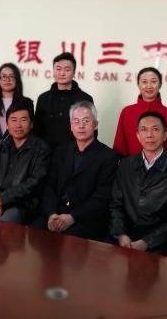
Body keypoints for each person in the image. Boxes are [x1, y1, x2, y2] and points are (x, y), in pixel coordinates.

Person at [33, 101, 119, 241]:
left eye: (86, 121)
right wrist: (52, 214)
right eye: (76, 121)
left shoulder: (108, 156)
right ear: (71, 126)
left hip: (86, 220)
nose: (81, 125)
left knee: (68, 242)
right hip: (57, 213)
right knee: (32, 233)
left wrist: (73, 217)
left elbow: (102, 197)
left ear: (95, 125)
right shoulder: (61, 150)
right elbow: (49, 186)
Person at [109, 111, 167, 258]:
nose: (149, 135)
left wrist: (147, 242)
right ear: (138, 135)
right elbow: (116, 204)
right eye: (144, 130)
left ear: (165, 135)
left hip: (161, 245)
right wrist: (121, 234)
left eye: (155, 129)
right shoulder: (125, 165)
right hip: (125, 239)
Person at [0, 98, 50, 223]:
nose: (18, 125)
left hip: (21, 204)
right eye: (13, 120)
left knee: (3, 227)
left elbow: (34, 183)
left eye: (23, 120)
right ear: (7, 124)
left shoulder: (41, 148)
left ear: (31, 124)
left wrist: (2, 199)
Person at [113, 67, 167, 160]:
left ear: (160, 84)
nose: (149, 86)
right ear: (138, 85)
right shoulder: (127, 112)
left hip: (163, 168)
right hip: (131, 167)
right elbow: (120, 146)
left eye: (153, 81)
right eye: (144, 82)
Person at [34, 52, 93, 149]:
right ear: (53, 71)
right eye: (58, 69)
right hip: (46, 154)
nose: (62, 73)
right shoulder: (43, 98)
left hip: (75, 153)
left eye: (67, 69)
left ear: (74, 73)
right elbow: (36, 130)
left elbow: (91, 131)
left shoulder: (85, 99)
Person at [0, 63, 34, 143]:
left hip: (16, 148)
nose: (7, 80)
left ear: (17, 79)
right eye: (4, 76)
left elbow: (30, 131)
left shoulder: (26, 103)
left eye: (11, 76)